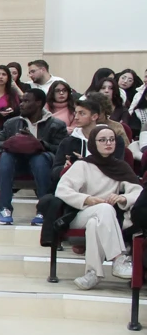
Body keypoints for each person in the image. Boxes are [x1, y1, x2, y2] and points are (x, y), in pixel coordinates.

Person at [55, 124, 141, 289]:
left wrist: (123, 198)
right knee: (104, 209)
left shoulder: (121, 166)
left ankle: (93, 274)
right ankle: (118, 258)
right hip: (80, 213)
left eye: (111, 139)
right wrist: (87, 199)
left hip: (105, 217)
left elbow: (138, 192)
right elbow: (62, 190)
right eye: (102, 140)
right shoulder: (82, 165)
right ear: (93, 143)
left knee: (95, 223)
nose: (108, 143)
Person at [0, 88, 67, 226]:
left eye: (26, 101)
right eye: (21, 101)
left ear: (38, 103)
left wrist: (39, 144)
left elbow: (61, 150)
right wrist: (10, 143)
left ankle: (43, 210)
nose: (21, 104)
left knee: (39, 158)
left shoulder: (57, 125)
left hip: (43, 165)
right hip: (17, 164)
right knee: (5, 156)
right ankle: (4, 209)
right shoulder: (12, 123)